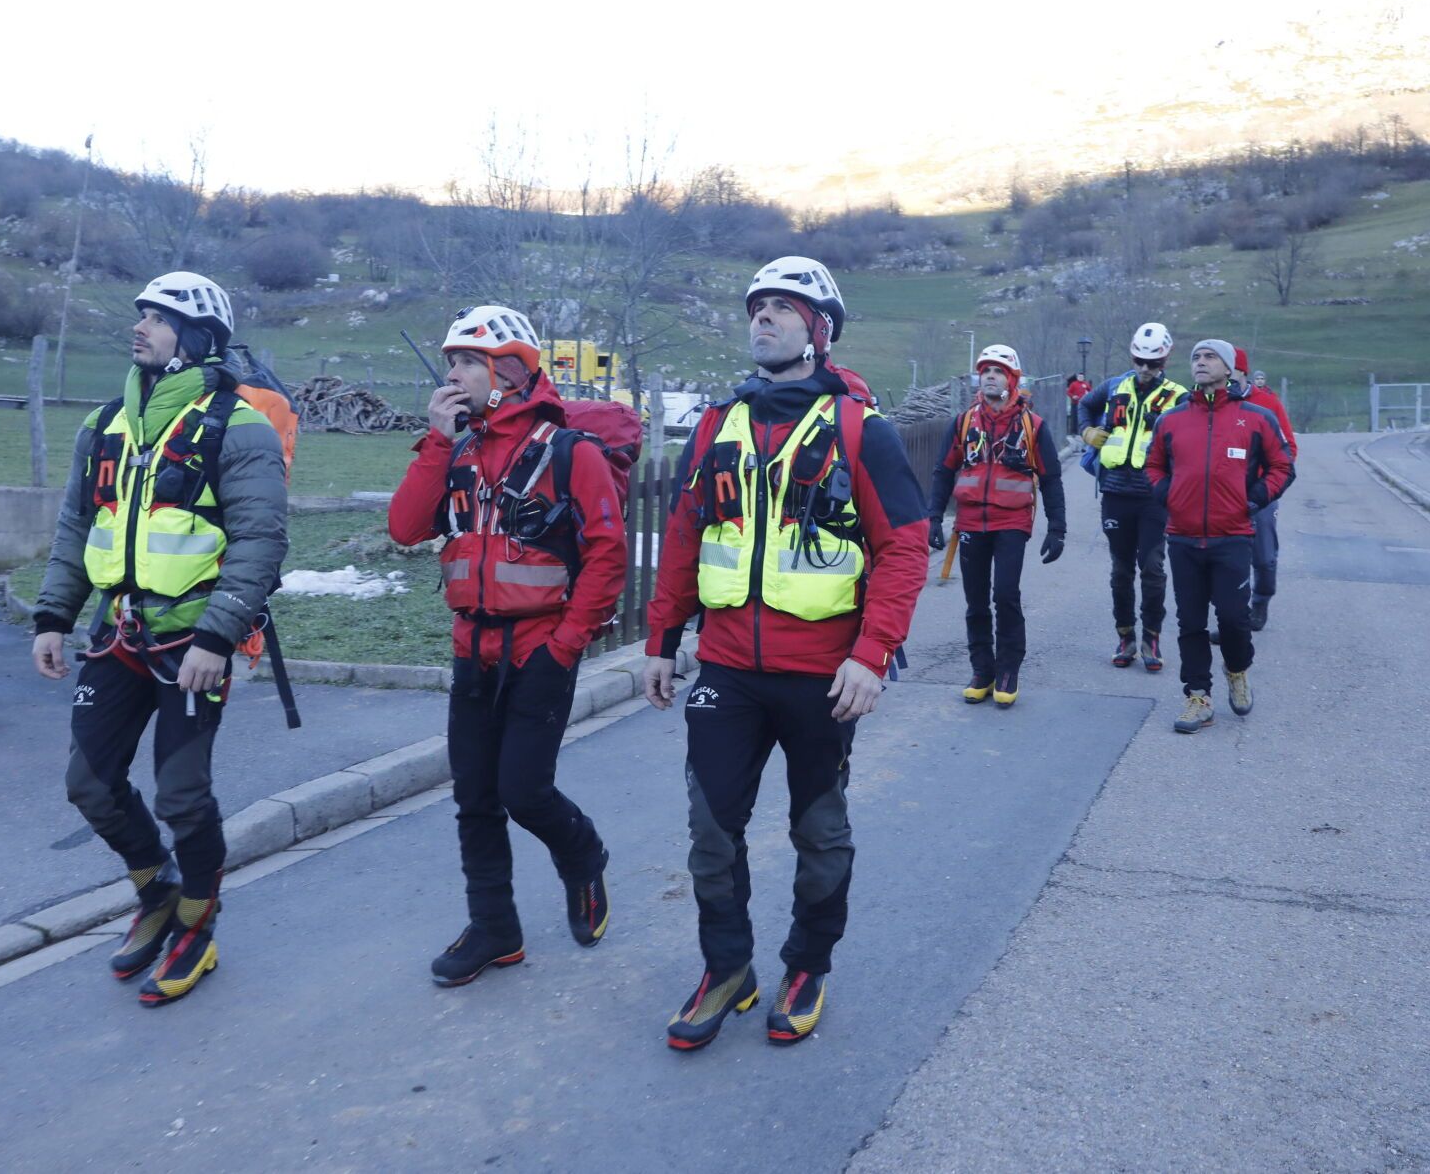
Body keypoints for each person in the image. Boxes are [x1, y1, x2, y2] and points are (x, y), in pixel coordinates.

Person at [641, 256, 928, 1050]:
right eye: (757, 306)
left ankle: (808, 964)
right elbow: (685, 537)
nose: (762, 317)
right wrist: (663, 638)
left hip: (823, 675)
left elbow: (905, 546)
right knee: (709, 828)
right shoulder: (716, 425)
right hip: (728, 668)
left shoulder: (858, 429)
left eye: (783, 307)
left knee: (819, 830)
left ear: (820, 330)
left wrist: (872, 654)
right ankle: (727, 966)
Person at [31, 272, 289, 1007]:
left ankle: (198, 927)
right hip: (115, 636)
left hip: (191, 645)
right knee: (88, 782)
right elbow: (77, 528)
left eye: (159, 317)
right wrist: (53, 616)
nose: (140, 326)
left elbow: (261, 540)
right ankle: (157, 890)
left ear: (199, 338)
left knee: (182, 795)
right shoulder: (105, 425)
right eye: (141, 313)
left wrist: (218, 634)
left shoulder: (239, 426)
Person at [387, 305, 627, 988]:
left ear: (509, 371)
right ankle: (495, 927)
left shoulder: (569, 452)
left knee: (523, 790)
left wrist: (566, 646)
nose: (452, 373)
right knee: (475, 797)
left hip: (541, 647)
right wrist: (437, 442)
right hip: (472, 650)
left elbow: (608, 555)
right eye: (451, 361)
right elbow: (405, 527)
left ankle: (583, 855)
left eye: (465, 361)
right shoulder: (457, 449)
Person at [1145, 340, 1294, 734]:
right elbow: (1154, 465)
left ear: (1229, 368)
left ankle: (1237, 669)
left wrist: (1253, 500)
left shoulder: (1256, 417)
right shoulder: (1172, 419)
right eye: (1196, 357)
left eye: (1210, 357)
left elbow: (1283, 465)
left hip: (1233, 536)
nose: (1201, 362)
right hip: (1183, 537)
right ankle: (1198, 696)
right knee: (1190, 621)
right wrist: (1169, 497)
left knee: (1233, 618)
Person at [927, 343, 1066, 707]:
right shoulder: (963, 423)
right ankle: (982, 670)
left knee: (1005, 594)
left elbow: (1051, 479)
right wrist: (933, 518)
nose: (989, 375)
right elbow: (943, 471)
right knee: (975, 602)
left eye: (998, 371)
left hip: (1011, 522)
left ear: (1013, 379)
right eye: (985, 370)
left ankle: (1008, 669)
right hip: (970, 522)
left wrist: (1058, 528)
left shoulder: (1032, 426)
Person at [1077, 323, 1188, 673]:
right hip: (1115, 492)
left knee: (1152, 569)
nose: (1144, 369)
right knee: (1121, 571)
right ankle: (1125, 636)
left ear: (1165, 360)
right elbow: (1084, 404)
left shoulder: (1180, 397)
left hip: (1154, 497)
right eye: (1139, 360)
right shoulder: (1113, 387)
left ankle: (1151, 637)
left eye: (1152, 363)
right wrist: (1087, 431)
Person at [1241, 356, 1296, 631]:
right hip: (1223, 493)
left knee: (1263, 554)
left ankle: (1260, 601)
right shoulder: (1211, 403)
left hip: (1260, 494)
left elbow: (1289, 452)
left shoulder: (1269, 404)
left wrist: (1264, 488)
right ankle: (1233, 612)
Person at [1065, 372, 1091, 437]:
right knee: (1074, 418)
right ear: (1077, 377)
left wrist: (1088, 395)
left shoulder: (1086, 384)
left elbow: (1090, 391)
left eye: (1082, 377)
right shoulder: (1073, 384)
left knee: (1082, 417)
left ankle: (1081, 431)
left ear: (1083, 377)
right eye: (1079, 377)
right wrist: (1073, 396)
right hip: (1075, 403)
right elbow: (1068, 392)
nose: (1080, 378)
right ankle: (1073, 432)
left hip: (1083, 404)